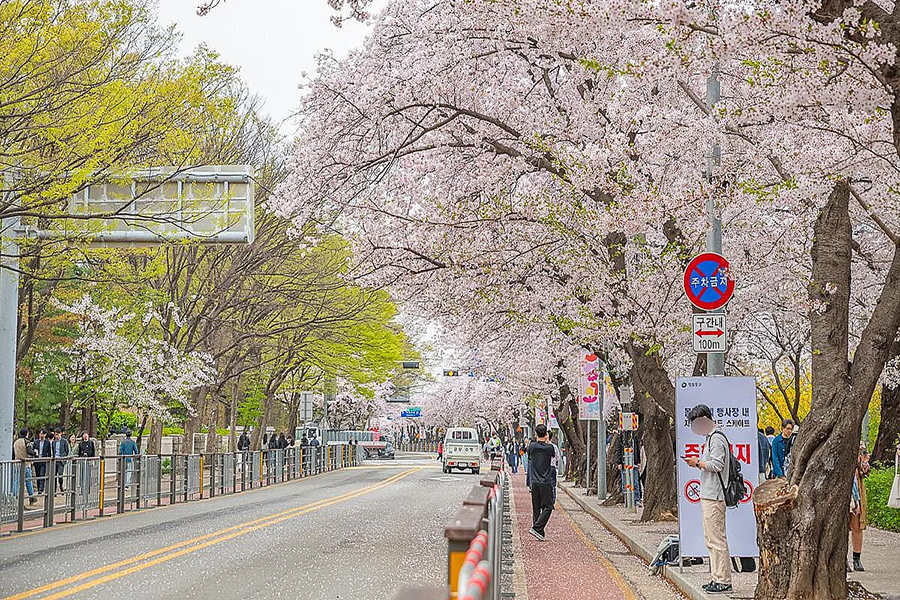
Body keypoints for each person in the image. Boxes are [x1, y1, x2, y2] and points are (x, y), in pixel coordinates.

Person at [683, 404, 732, 594]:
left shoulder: (717, 438)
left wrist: (697, 463)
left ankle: (723, 580)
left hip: (715, 495)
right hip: (708, 494)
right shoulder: (710, 438)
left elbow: (717, 465)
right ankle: (716, 577)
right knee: (711, 538)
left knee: (717, 539)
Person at [526, 424, 556, 541]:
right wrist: (547, 440)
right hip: (546, 481)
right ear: (546, 434)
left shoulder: (531, 446)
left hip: (535, 481)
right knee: (548, 506)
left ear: (535, 434)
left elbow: (529, 455)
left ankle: (539, 532)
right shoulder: (550, 448)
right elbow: (552, 454)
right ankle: (537, 528)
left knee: (536, 507)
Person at [849, 445, 871, 572]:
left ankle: (856, 558)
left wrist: (863, 462)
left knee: (857, 526)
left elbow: (865, 472)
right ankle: (843, 559)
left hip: (856, 491)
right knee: (841, 527)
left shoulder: (861, 446)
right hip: (841, 490)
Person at [615, 429, 642, 505]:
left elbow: (637, 449)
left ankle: (636, 499)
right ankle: (627, 499)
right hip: (624, 463)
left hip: (634, 463)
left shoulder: (634, 436)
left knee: (635, 482)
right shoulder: (621, 437)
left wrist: (638, 461)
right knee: (625, 483)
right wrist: (619, 462)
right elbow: (618, 450)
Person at [12, 428, 37, 505]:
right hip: (26, 463)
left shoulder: (15, 442)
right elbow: (29, 451)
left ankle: (14, 496)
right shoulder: (27, 441)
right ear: (27, 433)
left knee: (16, 480)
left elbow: (13, 453)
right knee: (28, 481)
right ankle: (31, 497)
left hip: (16, 463)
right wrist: (35, 453)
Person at [33, 428, 52, 494]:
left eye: (43, 434)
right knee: (38, 475)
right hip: (37, 460)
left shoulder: (47, 442)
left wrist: (48, 459)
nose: (41, 435)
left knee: (42, 474)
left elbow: (49, 452)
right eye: (41, 433)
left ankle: (41, 489)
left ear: (45, 435)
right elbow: (34, 450)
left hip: (43, 460)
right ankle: (38, 488)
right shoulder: (36, 442)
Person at [52, 428, 70, 492]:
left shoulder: (64, 441)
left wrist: (63, 457)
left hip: (61, 461)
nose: (56, 436)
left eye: (57, 434)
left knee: (60, 475)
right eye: (55, 435)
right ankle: (54, 490)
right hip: (55, 460)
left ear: (60, 434)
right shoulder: (53, 442)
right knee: (53, 476)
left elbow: (67, 451)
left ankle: (61, 486)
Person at [548, 430, 561, 503]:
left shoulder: (543, 446)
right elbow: (558, 458)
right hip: (552, 467)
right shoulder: (554, 447)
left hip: (547, 468)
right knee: (552, 484)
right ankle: (552, 500)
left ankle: (550, 500)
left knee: (548, 484)